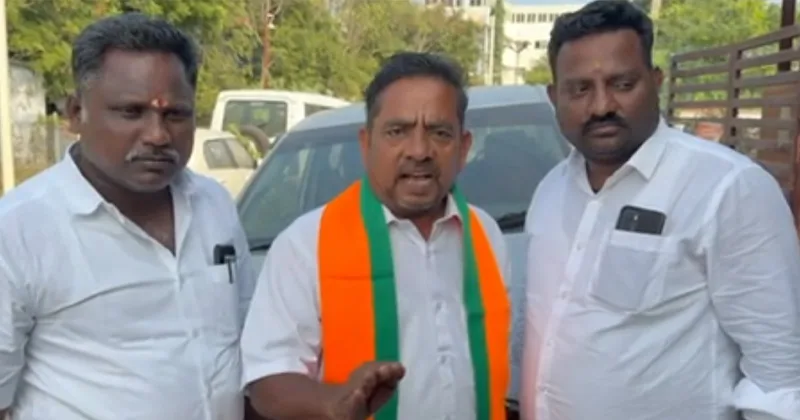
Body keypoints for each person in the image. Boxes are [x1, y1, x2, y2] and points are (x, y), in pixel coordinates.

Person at [521, 1, 800, 419]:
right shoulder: (550, 191)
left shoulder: (727, 187)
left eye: (622, 84)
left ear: (655, 81)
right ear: (553, 96)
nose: (601, 106)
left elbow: (780, 373)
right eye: (580, 89)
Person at [0, 13, 256, 420]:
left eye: (175, 114)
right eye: (131, 112)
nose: (158, 135)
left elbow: (247, 346)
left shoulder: (214, 204)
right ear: (75, 113)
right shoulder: (18, 230)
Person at [240, 52, 512, 420]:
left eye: (439, 132)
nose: (419, 151)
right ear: (366, 143)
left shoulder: (485, 234)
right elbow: (267, 379)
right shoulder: (306, 244)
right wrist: (331, 402)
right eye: (397, 131)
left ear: (463, 148)